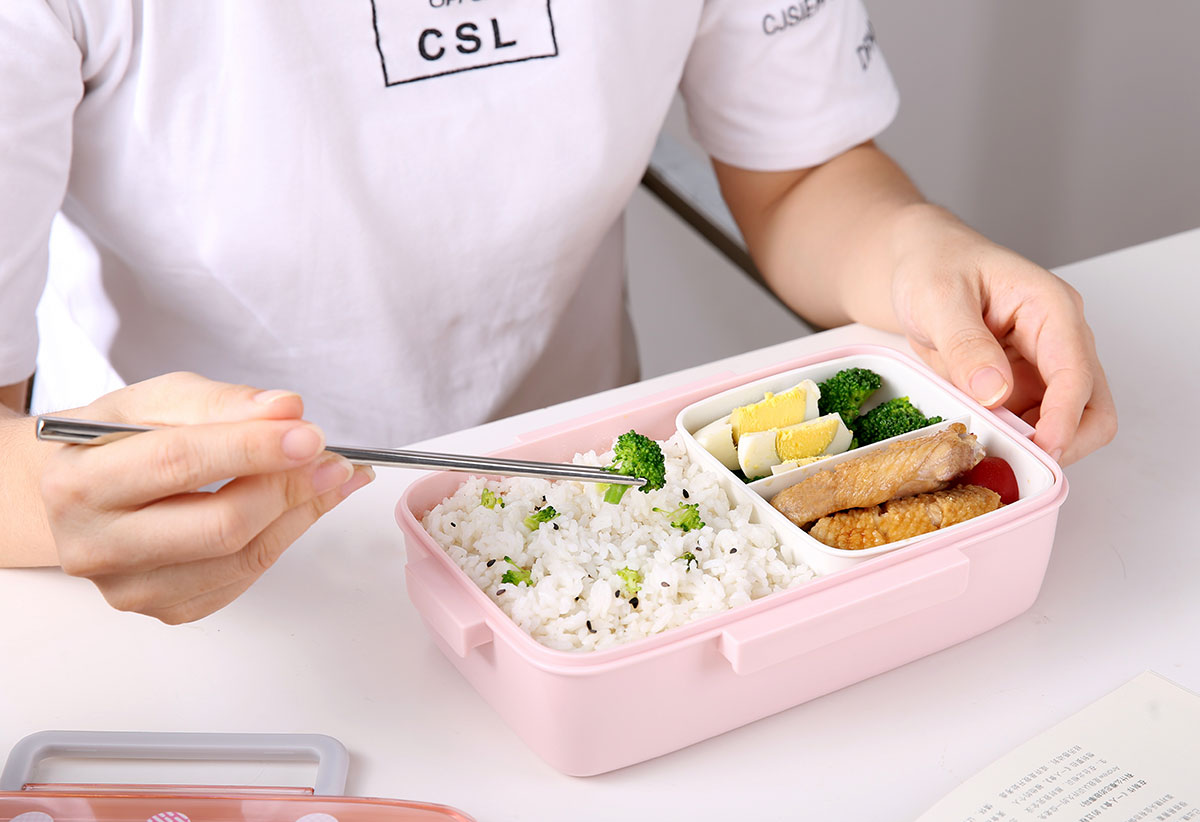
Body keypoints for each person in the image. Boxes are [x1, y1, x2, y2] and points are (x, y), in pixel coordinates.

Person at [0, 1, 1116, 624]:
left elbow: (799, 174)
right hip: (180, 572)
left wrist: (924, 254)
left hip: (603, 525)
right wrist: (60, 509)